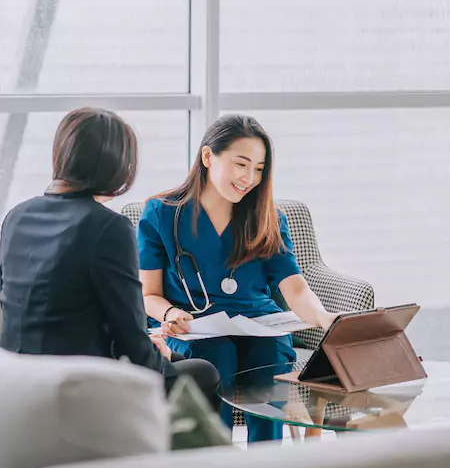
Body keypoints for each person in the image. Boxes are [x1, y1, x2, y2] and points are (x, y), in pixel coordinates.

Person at [0, 107, 220, 406]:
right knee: (203, 373)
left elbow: (26, 306)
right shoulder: (108, 227)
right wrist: (157, 355)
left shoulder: (17, 216)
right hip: (79, 381)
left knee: (177, 359)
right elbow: (131, 337)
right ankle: (160, 453)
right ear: (118, 166)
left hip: (16, 374)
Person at [137, 114, 338, 443]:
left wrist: (322, 317)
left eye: (259, 169)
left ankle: (265, 465)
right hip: (193, 327)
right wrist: (170, 314)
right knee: (217, 357)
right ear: (207, 157)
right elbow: (150, 295)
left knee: (270, 355)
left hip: (259, 324)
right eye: (241, 164)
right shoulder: (161, 213)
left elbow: (294, 286)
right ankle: (214, 463)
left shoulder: (268, 218)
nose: (249, 178)